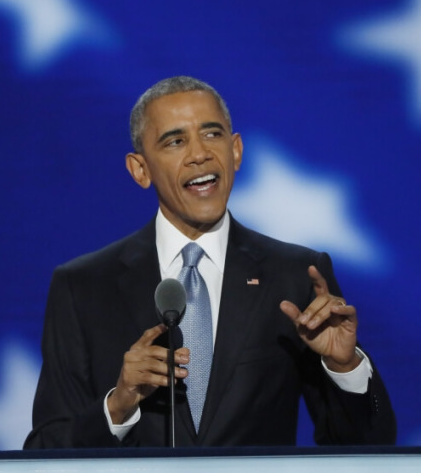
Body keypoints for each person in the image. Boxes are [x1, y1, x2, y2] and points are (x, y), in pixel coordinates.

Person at [24, 76, 396, 448]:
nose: (199, 153)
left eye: (212, 134)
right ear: (141, 170)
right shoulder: (84, 286)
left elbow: (368, 448)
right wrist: (117, 406)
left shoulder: (295, 275)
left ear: (236, 151)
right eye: (175, 141)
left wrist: (343, 368)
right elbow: (45, 451)